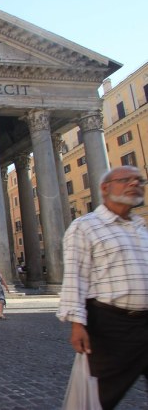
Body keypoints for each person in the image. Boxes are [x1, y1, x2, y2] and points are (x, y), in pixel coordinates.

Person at [57, 165, 148, 409]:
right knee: (101, 395)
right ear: (105, 188)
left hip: (145, 321)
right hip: (111, 324)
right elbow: (75, 277)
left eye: (139, 180)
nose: (134, 184)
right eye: (125, 180)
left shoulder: (140, 228)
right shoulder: (86, 226)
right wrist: (77, 324)